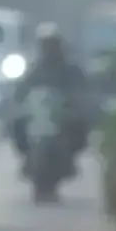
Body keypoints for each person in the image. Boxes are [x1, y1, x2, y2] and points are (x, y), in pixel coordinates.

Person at [10, 22, 89, 177]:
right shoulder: (34, 68)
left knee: (79, 124)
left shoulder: (70, 69)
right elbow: (22, 89)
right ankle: (27, 157)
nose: (49, 48)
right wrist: (18, 103)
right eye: (45, 44)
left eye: (52, 44)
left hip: (62, 113)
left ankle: (70, 158)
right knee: (17, 124)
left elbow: (80, 89)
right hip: (39, 115)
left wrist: (74, 103)